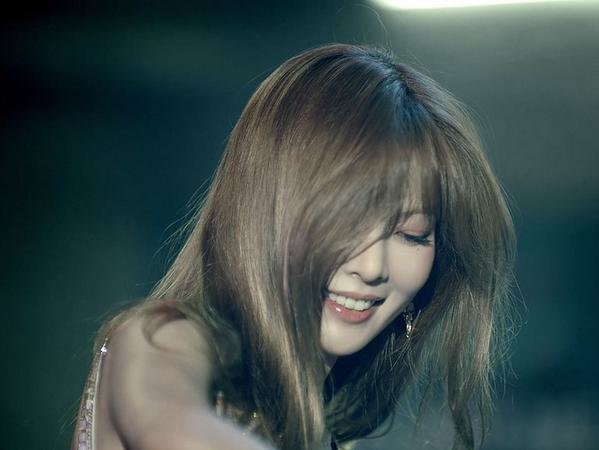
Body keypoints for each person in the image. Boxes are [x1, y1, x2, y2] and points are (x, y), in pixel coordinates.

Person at [72, 43, 516, 450]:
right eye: (347, 220)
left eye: (411, 234)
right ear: (269, 209)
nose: (372, 267)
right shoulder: (163, 339)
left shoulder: (322, 426)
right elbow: (172, 427)